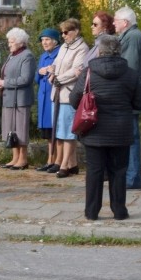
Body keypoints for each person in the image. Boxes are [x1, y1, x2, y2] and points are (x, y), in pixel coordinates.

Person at [69, 35, 141, 221]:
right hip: (121, 130)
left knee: (94, 172)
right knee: (119, 171)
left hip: (94, 130)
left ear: (99, 51)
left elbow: (74, 100)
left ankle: (91, 212)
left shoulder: (89, 72)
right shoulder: (129, 73)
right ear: (119, 51)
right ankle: (119, 211)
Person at [114, 6, 141, 189]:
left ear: (125, 22)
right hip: (132, 91)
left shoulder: (133, 37)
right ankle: (130, 176)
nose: (113, 23)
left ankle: (132, 178)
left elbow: (128, 67)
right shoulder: (131, 36)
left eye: (116, 20)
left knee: (131, 136)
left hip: (130, 93)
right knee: (130, 135)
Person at [50, 18, 90, 178]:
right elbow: (55, 63)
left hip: (68, 93)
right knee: (60, 129)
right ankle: (72, 163)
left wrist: (59, 78)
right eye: (62, 32)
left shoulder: (82, 48)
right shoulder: (63, 47)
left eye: (66, 32)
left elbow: (77, 70)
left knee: (68, 131)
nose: (63, 35)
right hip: (57, 93)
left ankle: (66, 164)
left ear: (76, 31)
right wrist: (52, 72)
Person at [0, 27, 35, 170]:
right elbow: (7, 74)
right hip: (9, 97)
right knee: (11, 128)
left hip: (21, 99)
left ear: (20, 42)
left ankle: (23, 159)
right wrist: (0, 83)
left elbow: (26, 79)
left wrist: (5, 83)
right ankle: (14, 157)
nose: (9, 44)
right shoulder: (11, 55)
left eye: (11, 42)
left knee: (20, 128)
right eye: (8, 41)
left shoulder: (27, 56)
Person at [35, 28, 61, 172]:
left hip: (54, 96)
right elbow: (36, 79)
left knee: (55, 129)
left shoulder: (59, 54)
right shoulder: (43, 56)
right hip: (43, 96)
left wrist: (52, 70)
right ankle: (49, 159)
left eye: (47, 40)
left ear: (55, 41)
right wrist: (40, 72)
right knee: (47, 131)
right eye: (42, 40)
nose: (44, 43)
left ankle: (56, 160)